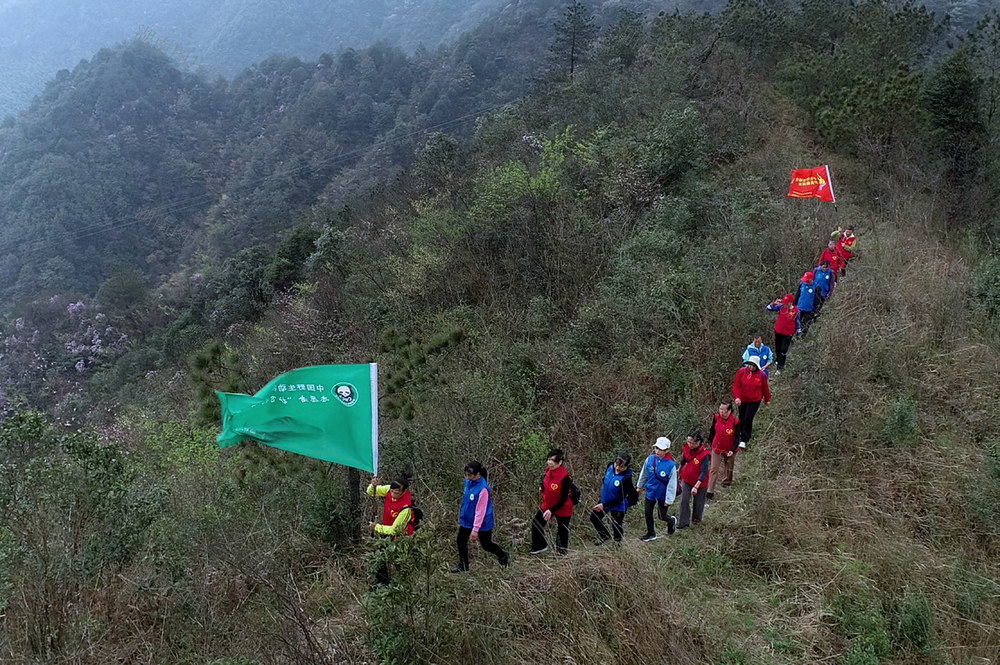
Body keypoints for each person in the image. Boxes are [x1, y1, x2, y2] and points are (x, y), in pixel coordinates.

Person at [454, 461, 509, 572]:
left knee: (486, 545)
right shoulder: (468, 482)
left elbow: (480, 511)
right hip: (467, 520)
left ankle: (502, 555)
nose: (468, 477)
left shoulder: (483, 489)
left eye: (470, 475)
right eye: (467, 474)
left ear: (478, 474)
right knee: (461, 540)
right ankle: (464, 565)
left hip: (482, 522)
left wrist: (475, 530)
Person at [367, 470, 416, 584]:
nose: (393, 494)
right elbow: (371, 492)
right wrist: (373, 485)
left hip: (401, 539)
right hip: (386, 533)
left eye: (396, 492)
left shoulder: (406, 508)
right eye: (392, 491)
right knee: (379, 559)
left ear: (403, 492)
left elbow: (395, 530)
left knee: (400, 564)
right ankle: (383, 584)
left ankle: (404, 586)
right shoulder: (390, 489)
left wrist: (376, 527)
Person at [530, 448, 575, 555]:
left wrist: (551, 510)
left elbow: (564, 498)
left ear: (560, 462)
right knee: (536, 524)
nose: (550, 462)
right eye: (549, 459)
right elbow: (547, 482)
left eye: (553, 461)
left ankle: (561, 553)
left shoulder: (565, 478)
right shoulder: (548, 470)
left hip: (562, 507)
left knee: (562, 531)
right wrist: (542, 487)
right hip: (548, 504)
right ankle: (540, 546)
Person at [589, 452, 638, 544]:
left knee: (616, 525)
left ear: (626, 466)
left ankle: (617, 545)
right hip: (605, 500)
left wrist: (604, 505)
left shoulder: (626, 478)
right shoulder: (610, 466)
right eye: (617, 465)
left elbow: (621, 497)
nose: (618, 468)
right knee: (594, 518)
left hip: (618, 505)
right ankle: (605, 536)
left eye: (621, 466)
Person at [636, 437, 678, 542]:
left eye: (661, 449)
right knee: (647, 512)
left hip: (662, 494)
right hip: (650, 491)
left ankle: (671, 521)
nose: (658, 451)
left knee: (662, 516)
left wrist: (669, 500)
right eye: (656, 448)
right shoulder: (650, 459)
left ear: (667, 450)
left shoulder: (671, 465)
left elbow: (672, 484)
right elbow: (644, 474)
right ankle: (651, 533)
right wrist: (639, 486)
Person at [732, 357, 771, 449]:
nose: (751, 367)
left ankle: (744, 439)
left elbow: (765, 388)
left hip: (754, 400)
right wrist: (737, 397)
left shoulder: (762, 375)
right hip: (742, 399)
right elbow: (736, 385)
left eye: (753, 365)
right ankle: (740, 433)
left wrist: (767, 399)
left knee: (748, 418)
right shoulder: (742, 372)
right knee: (741, 417)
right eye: (750, 364)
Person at [676, 430, 710, 528]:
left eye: (692, 443)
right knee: (684, 500)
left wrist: (696, 486)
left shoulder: (705, 455)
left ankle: (696, 521)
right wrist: (679, 470)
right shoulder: (687, 447)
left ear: (698, 443)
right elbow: (684, 459)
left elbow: (704, 471)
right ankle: (683, 523)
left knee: (699, 502)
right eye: (688, 442)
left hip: (700, 482)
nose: (690, 444)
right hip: (687, 479)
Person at [707, 401, 739, 498]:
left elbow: (737, 437)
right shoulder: (716, 418)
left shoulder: (735, 421)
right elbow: (712, 430)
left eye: (723, 410)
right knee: (714, 469)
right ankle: (710, 491)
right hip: (717, 447)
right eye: (720, 409)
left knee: (729, 467)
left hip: (729, 448)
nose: (721, 411)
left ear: (729, 411)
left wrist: (732, 450)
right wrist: (710, 442)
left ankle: (727, 482)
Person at [767, 294, 800, 373]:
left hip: (788, 333)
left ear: (790, 303)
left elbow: (798, 321)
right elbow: (768, 308)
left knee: (783, 350)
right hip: (778, 331)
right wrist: (774, 303)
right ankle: (778, 361)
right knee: (778, 348)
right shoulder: (781, 307)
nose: (785, 304)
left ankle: (780, 368)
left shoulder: (796, 311)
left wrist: (799, 331)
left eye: (787, 302)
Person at [794, 271, 819, 335]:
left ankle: (802, 339)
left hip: (809, 311)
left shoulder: (816, 287)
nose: (805, 282)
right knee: (796, 325)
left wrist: (815, 311)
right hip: (799, 308)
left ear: (811, 280)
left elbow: (817, 301)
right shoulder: (801, 284)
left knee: (805, 327)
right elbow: (797, 295)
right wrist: (793, 305)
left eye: (807, 280)